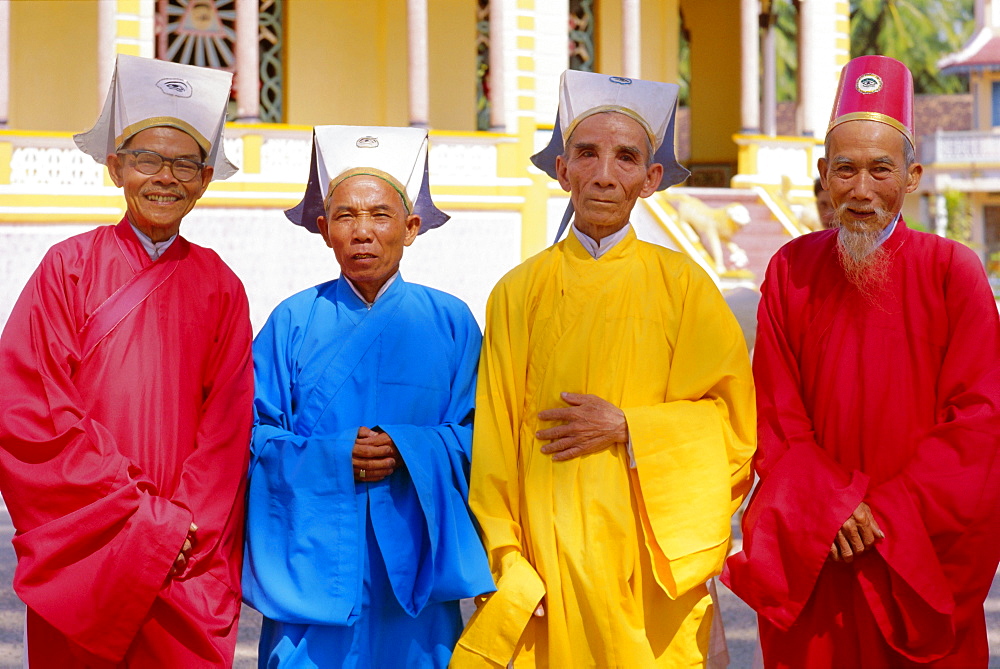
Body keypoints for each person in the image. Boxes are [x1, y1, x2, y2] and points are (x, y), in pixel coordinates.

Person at [453, 70, 756, 667]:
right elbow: (491, 440)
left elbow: (733, 428)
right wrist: (506, 556)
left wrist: (631, 428)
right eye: (586, 154)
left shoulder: (685, 287)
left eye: (626, 158)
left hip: (652, 559)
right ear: (562, 170)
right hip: (549, 554)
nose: (603, 174)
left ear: (651, 179)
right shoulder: (518, 293)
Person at [723, 55, 1000, 667]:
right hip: (818, 548)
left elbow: (980, 419)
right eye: (844, 169)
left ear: (912, 176)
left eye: (881, 169)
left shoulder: (952, 272)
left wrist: (886, 513)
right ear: (823, 175)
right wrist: (831, 506)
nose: (861, 188)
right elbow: (774, 411)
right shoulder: (792, 269)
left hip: (915, 553)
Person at [0, 55, 253, 666]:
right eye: (146, 159)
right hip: (91, 541)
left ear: (206, 176)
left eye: (184, 162)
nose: (164, 177)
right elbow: (30, 407)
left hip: (188, 551)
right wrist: (138, 515)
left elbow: (227, 428)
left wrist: (183, 524)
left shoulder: (221, 286)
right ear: (116, 169)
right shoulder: (68, 267)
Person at [243, 125, 495, 668]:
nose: (363, 232)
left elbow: (486, 435)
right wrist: (334, 457)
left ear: (410, 228)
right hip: (312, 566)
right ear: (322, 228)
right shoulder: (291, 321)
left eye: (380, 215)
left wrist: (407, 449)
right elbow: (249, 436)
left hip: (415, 567)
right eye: (345, 216)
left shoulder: (451, 322)